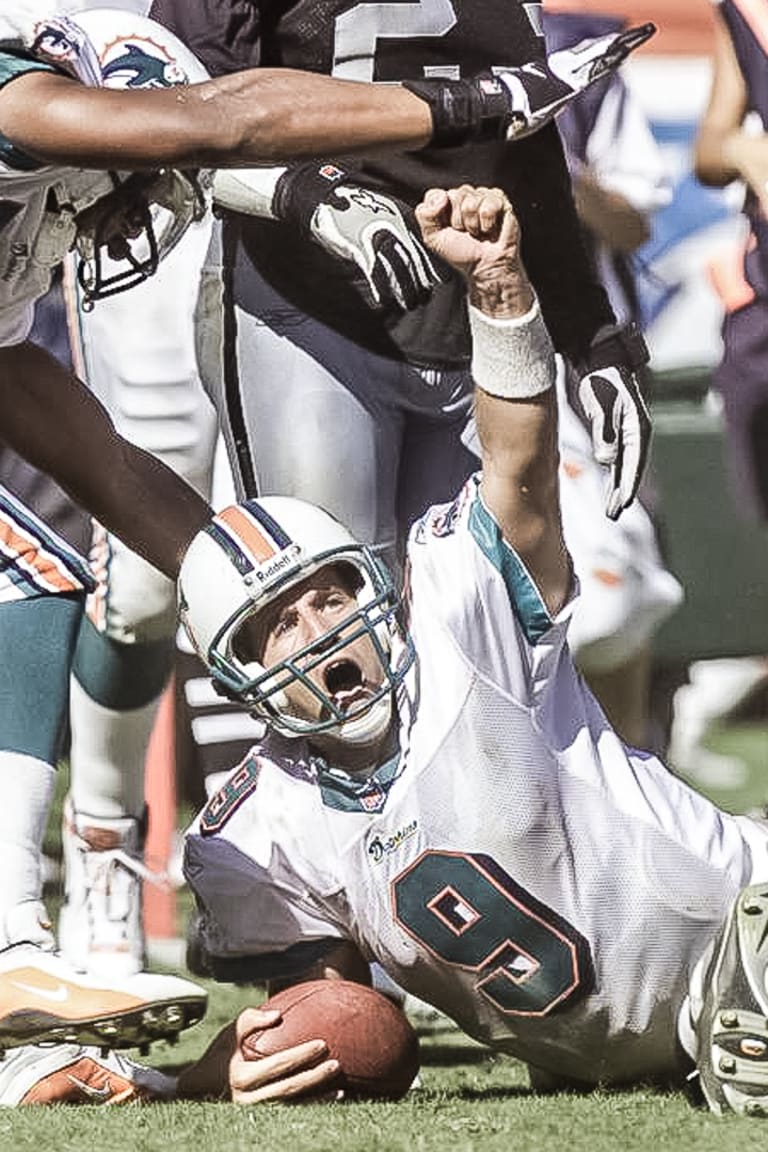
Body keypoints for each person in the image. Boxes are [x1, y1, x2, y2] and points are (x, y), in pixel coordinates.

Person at [0, 0, 650, 1047]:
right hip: (307, 274)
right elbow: (214, 122)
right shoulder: (26, 90)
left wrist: (242, 574)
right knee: (30, 577)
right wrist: (464, 106)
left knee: (80, 568)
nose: (132, 214)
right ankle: (22, 942)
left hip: (399, 294)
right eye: (124, 173)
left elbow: (69, 433)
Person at [164, 185, 768, 1117]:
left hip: (741, 922)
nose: (317, 632)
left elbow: (518, 466)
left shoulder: (459, 617)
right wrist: (235, 1066)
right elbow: (328, 1009)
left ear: (371, 585)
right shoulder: (256, 831)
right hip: (603, 1057)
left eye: (329, 596)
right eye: (276, 624)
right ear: (235, 673)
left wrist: (499, 288)